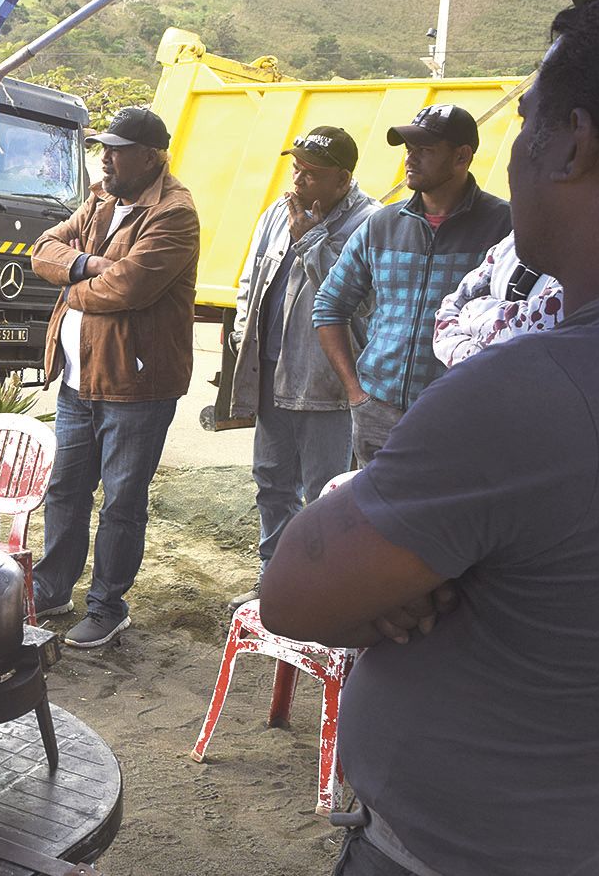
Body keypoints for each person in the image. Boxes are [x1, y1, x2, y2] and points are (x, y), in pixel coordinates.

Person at [266, 0, 599, 876]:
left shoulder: (541, 389)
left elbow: (295, 592)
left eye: (523, 121)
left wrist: (401, 576)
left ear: (574, 142)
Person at [29, 107, 199, 649]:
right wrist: (86, 265)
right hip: (79, 380)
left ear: (149, 157)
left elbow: (128, 290)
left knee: (122, 500)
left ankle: (107, 605)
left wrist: (72, 286)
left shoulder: (173, 213)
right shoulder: (103, 200)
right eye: (103, 147)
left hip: (136, 386)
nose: (104, 158)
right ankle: (53, 588)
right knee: (66, 489)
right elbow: (41, 250)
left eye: (117, 150)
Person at [225, 127, 379, 609]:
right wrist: (240, 332)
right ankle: (275, 579)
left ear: (343, 179)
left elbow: (361, 302)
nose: (298, 180)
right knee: (271, 482)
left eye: (312, 174)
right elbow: (251, 277)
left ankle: (323, 590)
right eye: (296, 168)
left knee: (325, 494)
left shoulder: (371, 224)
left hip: (326, 381)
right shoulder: (278, 211)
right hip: (272, 373)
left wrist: (312, 240)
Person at [312, 103, 511, 464]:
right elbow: (329, 306)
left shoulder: (504, 228)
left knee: (448, 519)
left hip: (461, 418)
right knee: (376, 519)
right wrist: (357, 394)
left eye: (425, 150)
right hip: (377, 414)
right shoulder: (381, 225)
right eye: (408, 149)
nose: (410, 159)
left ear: (461, 156)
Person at [431, 231, 563, 366]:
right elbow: (444, 324)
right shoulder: (509, 244)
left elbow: (526, 336)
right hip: (485, 385)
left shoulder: (581, 256)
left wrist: (471, 310)